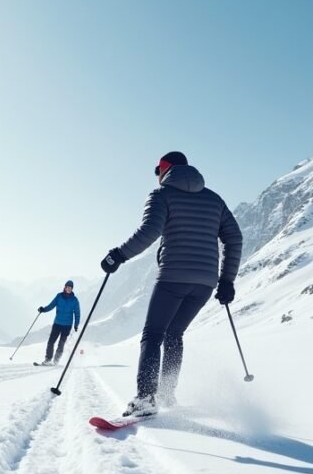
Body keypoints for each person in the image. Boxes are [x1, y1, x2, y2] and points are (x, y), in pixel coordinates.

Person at [100, 151, 242, 416]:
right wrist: (227, 281)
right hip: (205, 283)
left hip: (173, 276)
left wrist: (118, 255)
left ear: (165, 169)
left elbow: (149, 232)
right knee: (174, 334)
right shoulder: (214, 199)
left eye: (157, 171)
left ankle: (145, 398)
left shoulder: (161, 195)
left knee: (153, 334)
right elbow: (235, 238)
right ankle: (166, 394)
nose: (157, 176)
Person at [37, 280, 81, 365]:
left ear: (72, 289)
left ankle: (56, 361)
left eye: (70, 287)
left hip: (67, 325)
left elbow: (77, 313)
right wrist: (43, 309)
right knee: (51, 342)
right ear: (65, 287)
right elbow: (51, 305)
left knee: (61, 344)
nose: (68, 289)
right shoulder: (59, 296)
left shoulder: (74, 300)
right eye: (67, 287)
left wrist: (76, 324)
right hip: (57, 323)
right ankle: (48, 359)